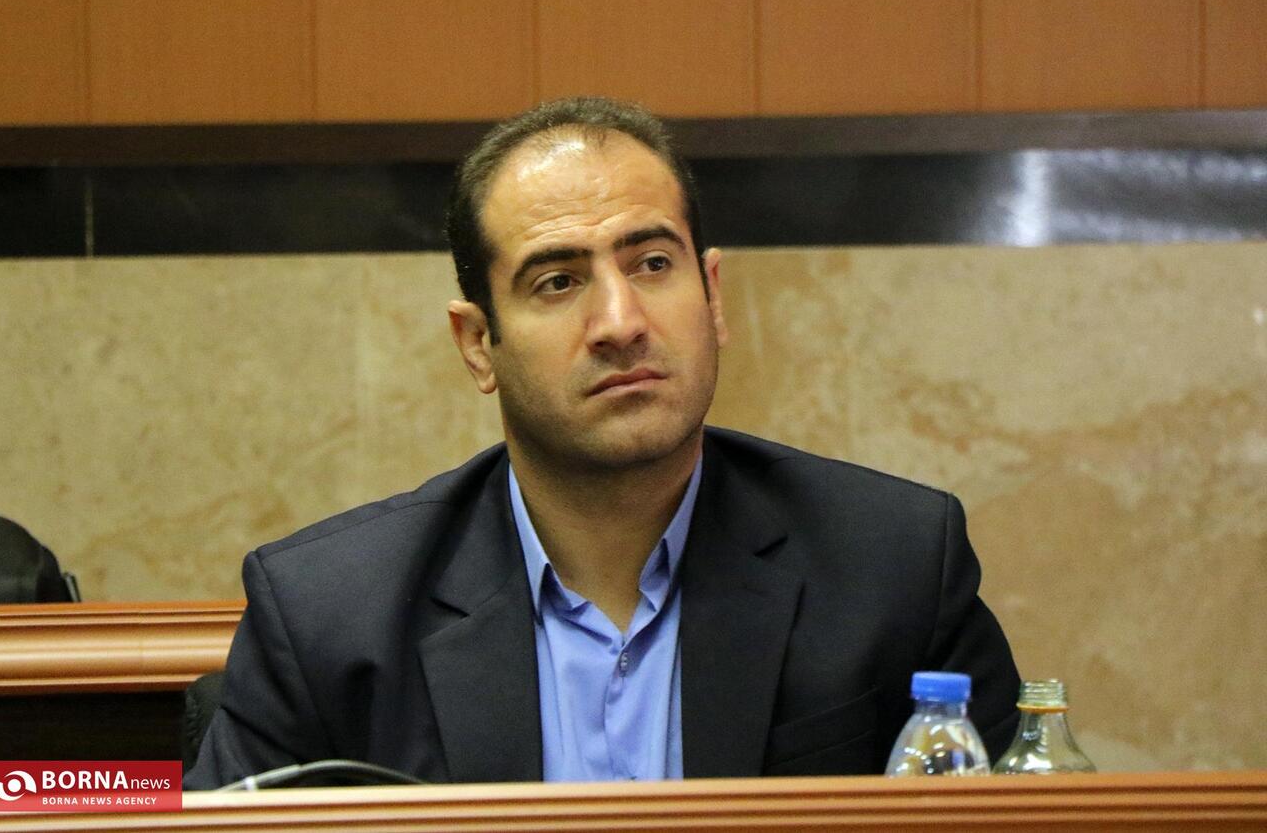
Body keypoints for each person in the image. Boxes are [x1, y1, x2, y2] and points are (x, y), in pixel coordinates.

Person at [185, 97, 1019, 788]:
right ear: (478, 344)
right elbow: (183, 816)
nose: (621, 322)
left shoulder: (895, 565)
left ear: (712, 296)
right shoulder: (330, 615)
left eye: (652, 263)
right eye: (558, 281)